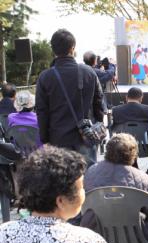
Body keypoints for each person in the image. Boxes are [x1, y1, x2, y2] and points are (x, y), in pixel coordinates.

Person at [0, 145, 140, 243]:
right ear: (60, 201)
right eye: (81, 187)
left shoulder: (3, 232)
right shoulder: (84, 240)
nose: (84, 192)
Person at [35, 29, 104, 167]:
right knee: (87, 179)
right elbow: (99, 102)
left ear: (53, 50)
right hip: (86, 136)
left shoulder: (45, 77)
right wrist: (98, 124)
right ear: (73, 48)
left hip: (58, 139)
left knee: (62, 182)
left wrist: (45, 139)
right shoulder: (89, 72)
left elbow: (41, 112)